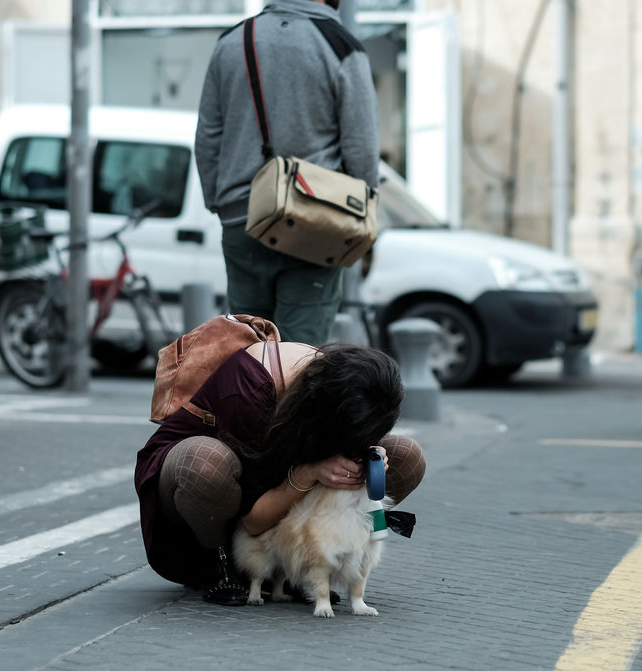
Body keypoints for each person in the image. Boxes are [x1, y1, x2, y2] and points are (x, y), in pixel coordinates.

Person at [134, 342, 426, 605]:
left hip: (280, 502)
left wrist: (370, 454)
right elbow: (253, 520)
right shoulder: (250, 389)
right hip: (203, 495)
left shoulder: (336, 382)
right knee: (206, 465)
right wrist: (308, 473)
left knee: (406, 456)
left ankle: (301, 566)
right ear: (328, 414)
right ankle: (222, 566)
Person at [194, 0, 380, 345]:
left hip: (243, 219)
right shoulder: (341, 46)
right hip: (316, 222)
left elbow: (208, 138)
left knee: (249, 351)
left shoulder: (233, 41)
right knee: (298, 358)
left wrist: (220, 203)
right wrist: (362, 219)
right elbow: (362, 150)